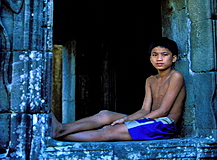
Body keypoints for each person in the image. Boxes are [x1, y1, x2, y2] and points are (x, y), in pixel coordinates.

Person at [52, 37, 186, 142]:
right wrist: (126, 120)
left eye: (164, 54)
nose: (159, 58)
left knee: (109, 131)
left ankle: (56, 136)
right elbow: (145, 110)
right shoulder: (150, 80)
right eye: (155, 54)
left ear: (173, 58)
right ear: (150, 58)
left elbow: (164, 111)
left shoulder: (175, 77)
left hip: (165, 124)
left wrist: (130, 121)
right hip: (149, 119)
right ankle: (62, 128)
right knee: (105, 115)